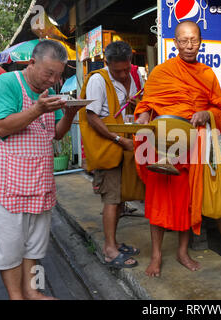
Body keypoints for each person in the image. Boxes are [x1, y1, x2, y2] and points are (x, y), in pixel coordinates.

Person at [0, 40, 82, 300]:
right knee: (9, 246)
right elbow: (2, 127)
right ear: (32, 63)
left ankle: (33, 291)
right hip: (5, 180)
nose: (53, 80)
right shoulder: (8, 83)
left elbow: (57, 134)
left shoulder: (52, 94)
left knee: (35, 245)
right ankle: (17, 296)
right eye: (49, 73)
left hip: (39, 180)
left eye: (59, 75)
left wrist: (70, 113)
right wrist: (37, 109)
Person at [134, 21, 221, 277]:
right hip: (162, 145)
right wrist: (143, 116)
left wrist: (205, 113)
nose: (189, 46)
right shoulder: (162, 72)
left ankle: (182, 252)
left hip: (192, 145)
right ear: (175, 43)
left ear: (201, 42)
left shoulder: (207, 74)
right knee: (158, 202)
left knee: (188, 202)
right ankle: (156, 255)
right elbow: (147, 103)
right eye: (184, 41)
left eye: (194, 40)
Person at [79, 41, 142, 268]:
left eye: (127, 68)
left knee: (121, 198)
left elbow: (136, 108)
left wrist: (137, 105)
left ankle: (114, 242)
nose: (124, 74)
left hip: (126, 145)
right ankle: (109, 250)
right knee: (112, 200)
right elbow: (92, 117)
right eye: (118, 71)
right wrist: (118, 139)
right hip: (109, 146)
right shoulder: (98, 80)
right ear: (107, 64)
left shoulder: (134, 78)